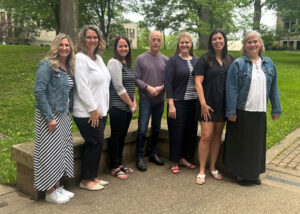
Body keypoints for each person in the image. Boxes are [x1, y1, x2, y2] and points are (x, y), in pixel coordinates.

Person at [224, 31, 281, 186]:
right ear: (245, 45)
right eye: (249, 42)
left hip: (259, 110)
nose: (252, 44)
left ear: (260, 43)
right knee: (241, 144)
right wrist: (231, 111)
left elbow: (273, 88)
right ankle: (241, 174)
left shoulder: (268, 64)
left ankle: (253, 173)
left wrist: (276, 109)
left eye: (255, 41)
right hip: (242, 111)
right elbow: (232, 89)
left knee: (256, 145)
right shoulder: (238, 64)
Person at [33, 33, 75, 204]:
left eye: (67, 45)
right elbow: (39, 91)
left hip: (63, 115)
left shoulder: (67, 67)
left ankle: (57, 187)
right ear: (56, 46)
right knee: (50, 154)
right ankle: (50, 192)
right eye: (61, 45)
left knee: (60, 153)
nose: (64, 48)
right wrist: (49, 117)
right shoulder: (47, 65)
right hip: (49, 117)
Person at [193, 30, 234, 184]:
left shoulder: (231, 59)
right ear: (211, 42)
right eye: (215, 39)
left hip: (223, 105)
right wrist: (203, 104)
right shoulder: (204, 59)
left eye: (220, 38)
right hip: (208, 105)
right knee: (206, 136)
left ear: (224, 40)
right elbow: (198, 82)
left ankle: (213, 167)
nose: (218, 41)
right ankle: (202, 170)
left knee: (217, 136)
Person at [73, 25, 111, 190]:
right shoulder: (80, 58)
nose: (92, 40)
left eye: (95, 37)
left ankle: (93, 177)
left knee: (97, 143)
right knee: (95, 142)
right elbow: (82, 87)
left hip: (101, 110)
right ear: (83, 39)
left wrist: (102, 109)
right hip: (86, 112)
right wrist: (93, 109)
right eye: (89, 37)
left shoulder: (99, 59)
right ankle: (86, 180)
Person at [165, 32, 198, 174]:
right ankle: (174, 160)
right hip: (178, 103)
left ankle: (184, 158)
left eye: (187, 42)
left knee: (190, 132)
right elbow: (168, 83)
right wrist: (171, 104)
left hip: (193, 103)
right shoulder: (172, 61)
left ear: (191, 44)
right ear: (178, 44)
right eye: (182, 42)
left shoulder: (196, 61)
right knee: (176, 133)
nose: (184, 45)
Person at [135, 30, 168, 171]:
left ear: (161, 42)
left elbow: (169, 80)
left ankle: (153, 153)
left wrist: (162, 88)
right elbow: (136, 78)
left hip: (160, 100)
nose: (156, 42)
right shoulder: (141, 58)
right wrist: (147, 87)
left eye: (158, 40)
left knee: (156, 128)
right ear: (149, 40)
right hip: (145, 100)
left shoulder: (166, 60)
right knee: (142, 129)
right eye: (153, 39)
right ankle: (139, 157)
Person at [107, 36, 137, 179]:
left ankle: (120, 163)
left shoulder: (127, 63)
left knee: (122, 136)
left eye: (126, 46)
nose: (123, 49)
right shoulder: (114, 63)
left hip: (127, 108)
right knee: (116, 137)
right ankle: (114, 167)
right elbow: (118, 87)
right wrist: (131, 104)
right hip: (118, 107)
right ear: (116, 48)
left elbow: (131, 86)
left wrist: (134, 102)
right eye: (120, 46)